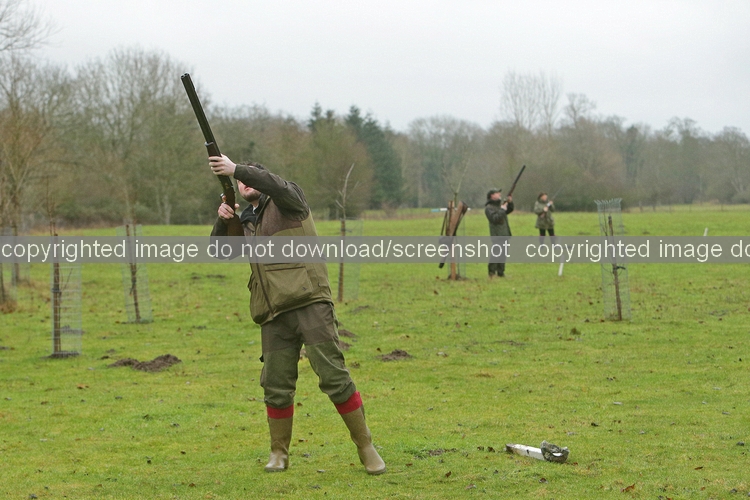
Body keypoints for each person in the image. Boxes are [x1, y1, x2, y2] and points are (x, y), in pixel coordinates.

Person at [208, 154, 386, 475]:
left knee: (333, 376)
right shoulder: (246, 222)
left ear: (261, 178)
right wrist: (224, 220)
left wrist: (236, 169)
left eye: (248, 177)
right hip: (272, 312)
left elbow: (275, 185)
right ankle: (279, 453)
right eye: (239, 182)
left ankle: (366, 447)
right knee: (275, 385)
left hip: (310, 302)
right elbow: (220, 253)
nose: (244, 183)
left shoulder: (288, 200)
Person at [484, 188, 513, 278]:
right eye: (497, 193)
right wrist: (502, 210)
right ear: (492, 196)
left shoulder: (499, 206)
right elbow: (494, 218)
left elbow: (509, 210)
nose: (499, 194)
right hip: (497, 234)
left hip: (504, 233)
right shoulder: (489, 208)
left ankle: (501, 272)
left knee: (503, 254)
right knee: (496, 253)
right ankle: (492, 273)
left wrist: (510, 202)